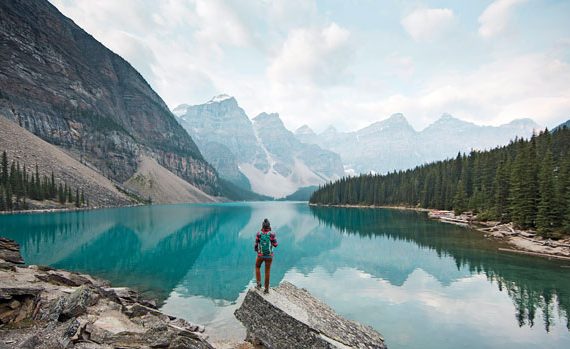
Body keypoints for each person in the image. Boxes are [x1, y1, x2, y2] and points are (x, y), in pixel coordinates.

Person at [254, 218, 278, 294]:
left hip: (260, 255)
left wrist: (257, 251)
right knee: (267, 271)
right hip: (269, 256)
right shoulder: (272, 235)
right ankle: (266, 289)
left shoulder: (259, 234)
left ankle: (258, 284)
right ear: (269, 227)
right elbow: (275, 245)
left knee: (257, 267)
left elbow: (256, 244)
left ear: (262, 227)